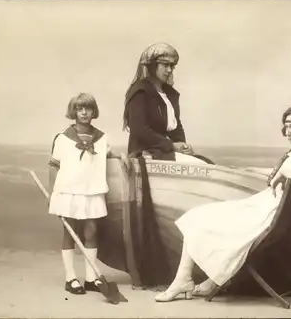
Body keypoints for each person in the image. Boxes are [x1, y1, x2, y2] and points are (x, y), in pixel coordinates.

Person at [154, 106, 291, 302]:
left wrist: (285, 173)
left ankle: (184, 281)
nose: (288, 133)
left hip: (266, 217)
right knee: (199, 215)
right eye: (286, 127)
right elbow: (285, 173)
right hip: (265, 209)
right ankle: (198, 281)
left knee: (199, 217)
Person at [49, 93, 127, 295]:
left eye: (88, 108)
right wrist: (53, 194)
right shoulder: (63, 138)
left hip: (92, 190)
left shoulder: (102, 138)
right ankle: (70, 278)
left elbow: (108, 155)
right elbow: (54, 167)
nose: (84, 112)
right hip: (68, 192)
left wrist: (123, 156)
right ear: (73, 111)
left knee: (91, 231)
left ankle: (91, 278)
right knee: (70, 232)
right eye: (79, 108)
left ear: (94, 111)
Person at [123, 43, 194, 161]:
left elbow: (176, 128)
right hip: (146, 153)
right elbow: (140, 130)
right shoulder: (140, 92)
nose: (170, 70)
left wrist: (183, 146)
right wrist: (171, 145)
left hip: (167, 152)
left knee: (204, 162)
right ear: (152, 66)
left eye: (172, 66)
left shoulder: (170, 95)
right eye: (165, 65)